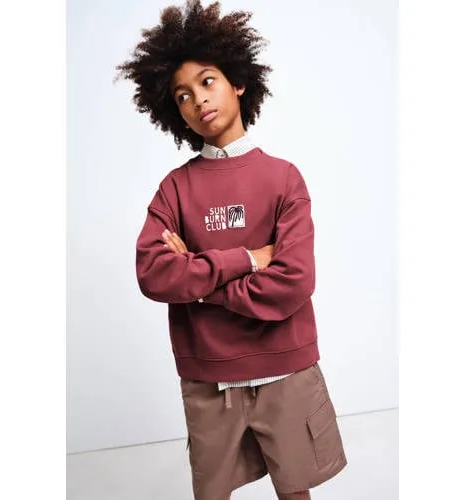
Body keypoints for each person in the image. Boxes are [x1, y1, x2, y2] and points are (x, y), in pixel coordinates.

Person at [116, 1, 347, 498]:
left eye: (207, 81)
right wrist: (244, 260)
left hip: (285, 367)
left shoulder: (284, 178)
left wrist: (199, 285)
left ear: (238, 81)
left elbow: (293, 282)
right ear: (174, 112)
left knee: (295, 491)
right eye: (181, 95)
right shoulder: (174, 189)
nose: (197, 100)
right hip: (208, 376)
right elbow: (153, 273)